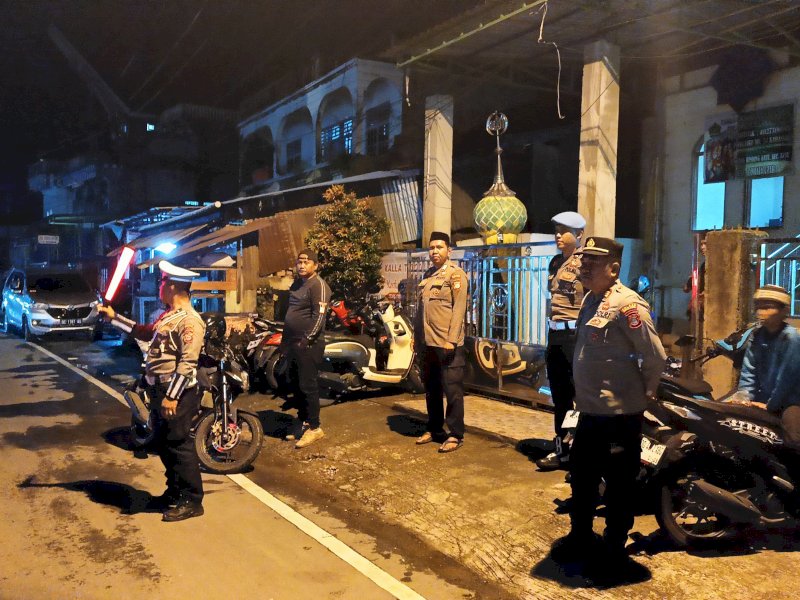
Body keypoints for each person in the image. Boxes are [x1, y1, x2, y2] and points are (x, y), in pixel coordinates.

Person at [551, 237, 666, 569]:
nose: (583, 268)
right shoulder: (591, 298)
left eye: (591, 264)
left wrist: (644, 393)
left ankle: (614, 545)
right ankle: (581, 535)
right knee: (583, 477)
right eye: (583, 262)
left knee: (619, 485)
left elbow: (654, 355)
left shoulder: (628, 306)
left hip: (618, 414)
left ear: (613, 269)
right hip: (590, 411)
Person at [98, 261, 207, 522]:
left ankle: (191, 500)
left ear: (171, 286)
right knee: (164, 444)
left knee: (179, 445)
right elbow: (145, 334)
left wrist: (173, 395)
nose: (159, 287)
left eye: (161, 282)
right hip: (160, 389)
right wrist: (115, 319)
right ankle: (174, 493)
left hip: (175, 391)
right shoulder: (169, 316)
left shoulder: (190, 321)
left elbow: (188, 363)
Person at [536, 211, 586, 471]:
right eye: (556, 229)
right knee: (560, 397)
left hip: (574, 337)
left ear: (579, 235)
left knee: (580, 398)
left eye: (564, 230)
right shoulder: (555, 262)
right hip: (555, 335)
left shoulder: (586, 264)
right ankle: (562, 450)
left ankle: (582, 453)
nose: (558, 234)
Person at [413, 231, 469, 453]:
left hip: (447, 343)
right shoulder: (428, 275)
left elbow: (459, 310)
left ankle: (455, 434)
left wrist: (451, 340)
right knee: (432, 388)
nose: (435, 251)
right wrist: (415, 339)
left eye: (439, 247)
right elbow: (421, 311)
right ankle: (435, 429)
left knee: (452, 390)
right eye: (432, 247)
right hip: (427, 343)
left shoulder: (455, 276)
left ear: (449, 251)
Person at [728, 285, 800, 448]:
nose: (761, 311)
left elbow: (786, 381)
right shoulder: (757, 335)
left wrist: (770, 406)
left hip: (790, 400)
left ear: (784, 311)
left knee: (794, 436)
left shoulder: (791, 338)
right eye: (759, 306)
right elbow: (748, 372)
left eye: (768, 307)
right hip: (762, 398)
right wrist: (744, 398)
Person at [282, 249, 331, 449]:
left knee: (308, 385)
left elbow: (319, 316)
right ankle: (303, 421)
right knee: (295, 384)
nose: (301, 265)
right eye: (299, 262)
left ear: (315, 265)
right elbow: (291, 312)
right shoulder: (297, 284)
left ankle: (315, 427)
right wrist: (285, 343)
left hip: (308, 344)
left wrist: (307, 339)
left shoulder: (318, 285)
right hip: (293, 342)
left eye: (306, 262)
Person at [683, 234, 706, 321]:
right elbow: (686, 288)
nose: (702, 247)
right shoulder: (704, 265)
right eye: (701, 244)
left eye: (705, 244)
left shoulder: (714, 265)